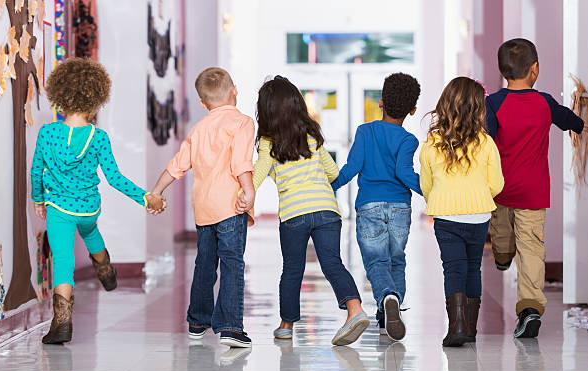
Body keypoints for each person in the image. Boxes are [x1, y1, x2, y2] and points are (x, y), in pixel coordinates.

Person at [32, 58, 165, 344]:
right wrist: (146, 197)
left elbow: (36, 171)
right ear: (96, 99)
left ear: (60, 96)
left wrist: (38, 200)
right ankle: (105, 268)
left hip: (58, 210)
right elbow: (115, 178)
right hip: (88, 208)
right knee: (91, 231)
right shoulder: (98, 137)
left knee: (64, 262)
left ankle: (62, 323)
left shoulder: (47, 133)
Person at [236, 76, 369, 346]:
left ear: (267, 110)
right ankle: (355, 310)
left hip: (294, 213)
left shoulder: (268, 143)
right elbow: (332, 172)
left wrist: (241, 196)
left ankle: (286, 325)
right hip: (326, 210)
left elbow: (257, 175)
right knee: (332, 262)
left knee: (292, 269)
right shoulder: (312, 136)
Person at [485, 38, 588, 338]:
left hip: (500, 191)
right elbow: (566, 119)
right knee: (532, 249)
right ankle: (530, 307)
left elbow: (484, 140)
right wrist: (583, 126)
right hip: (533, 194)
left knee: (501, 236)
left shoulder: (492, 104)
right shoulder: (545, 102)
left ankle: (504, 257)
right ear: (535, 69)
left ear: (503, 71)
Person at [151, 67, 255, 348]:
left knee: (205, 264)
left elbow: (177, 166)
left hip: (204, 208)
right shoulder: (242, 123)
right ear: (234, 89)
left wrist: (157, 191)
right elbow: (241, 163)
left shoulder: (198, 129)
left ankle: (197, 321)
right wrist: (249, 190)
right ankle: (232, 327)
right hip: (231, 207)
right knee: (232, 263)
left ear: (202, 103)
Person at [330, 73, 422, 341]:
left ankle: (387, 297)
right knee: (396, 260)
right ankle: (388, 314)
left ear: (381, 102)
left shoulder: (365, 131)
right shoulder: (408, 140)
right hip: (400, 209)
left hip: (369, 206)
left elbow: (351, 169)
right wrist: (430, 190)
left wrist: (329, 186)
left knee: (376, 261)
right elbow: (405, 174)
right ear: (412, 110)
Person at [420, 77, 504, 347]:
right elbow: (497, 184)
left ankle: (455, 327)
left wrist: (439, 198)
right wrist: (479, 196)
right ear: (478, 108)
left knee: (453, 268)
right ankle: (469, 329)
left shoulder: (432, 143)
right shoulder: (486, 142)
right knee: (473, 269)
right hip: (479, 216)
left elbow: (426, 184)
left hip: (446, 216)